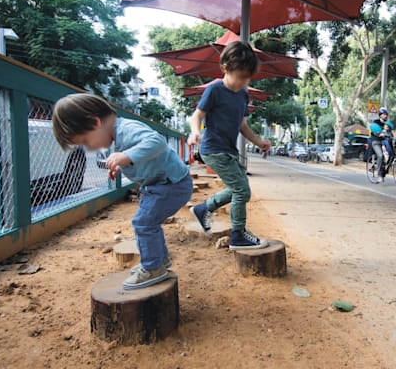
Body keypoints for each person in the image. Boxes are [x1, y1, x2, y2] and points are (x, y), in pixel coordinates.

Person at [52, 93, 193, 290]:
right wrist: (119, 166)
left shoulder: (127, 129)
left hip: (172, 185)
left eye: (85, 141)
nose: (89, 147)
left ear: (95, 122)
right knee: (148, 222)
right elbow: (140, 158)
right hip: (160, 185)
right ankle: (158, 260)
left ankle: (153, 267)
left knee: (143, 222)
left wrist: (126, 156)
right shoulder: (116, 136)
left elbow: (157, 142)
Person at [187, 41, 270, 250]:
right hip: (213, 150)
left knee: (239, 190)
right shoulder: (214, 90)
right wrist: (195, 132)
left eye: (248, 77)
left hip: (229, 151)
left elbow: (243, 125)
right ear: (226, 68)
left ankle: (204, 209)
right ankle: (238, 235)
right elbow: (196, 116)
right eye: (241, 76)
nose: (244, 81)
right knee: (242, 191)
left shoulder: (243, 93)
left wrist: (259, 142)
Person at [368, 107, 395, 182]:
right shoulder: (375, 122)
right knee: (381, 155)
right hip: (376, 142)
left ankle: (385, 170)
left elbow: (392, 132)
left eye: (386, 114)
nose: (385, 116)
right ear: (380, 115)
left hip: (385, 142)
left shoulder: (387, 124)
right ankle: (379, 174)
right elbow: (373, 131)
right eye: (383, 114)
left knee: (392, 155)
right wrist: (379, 134)